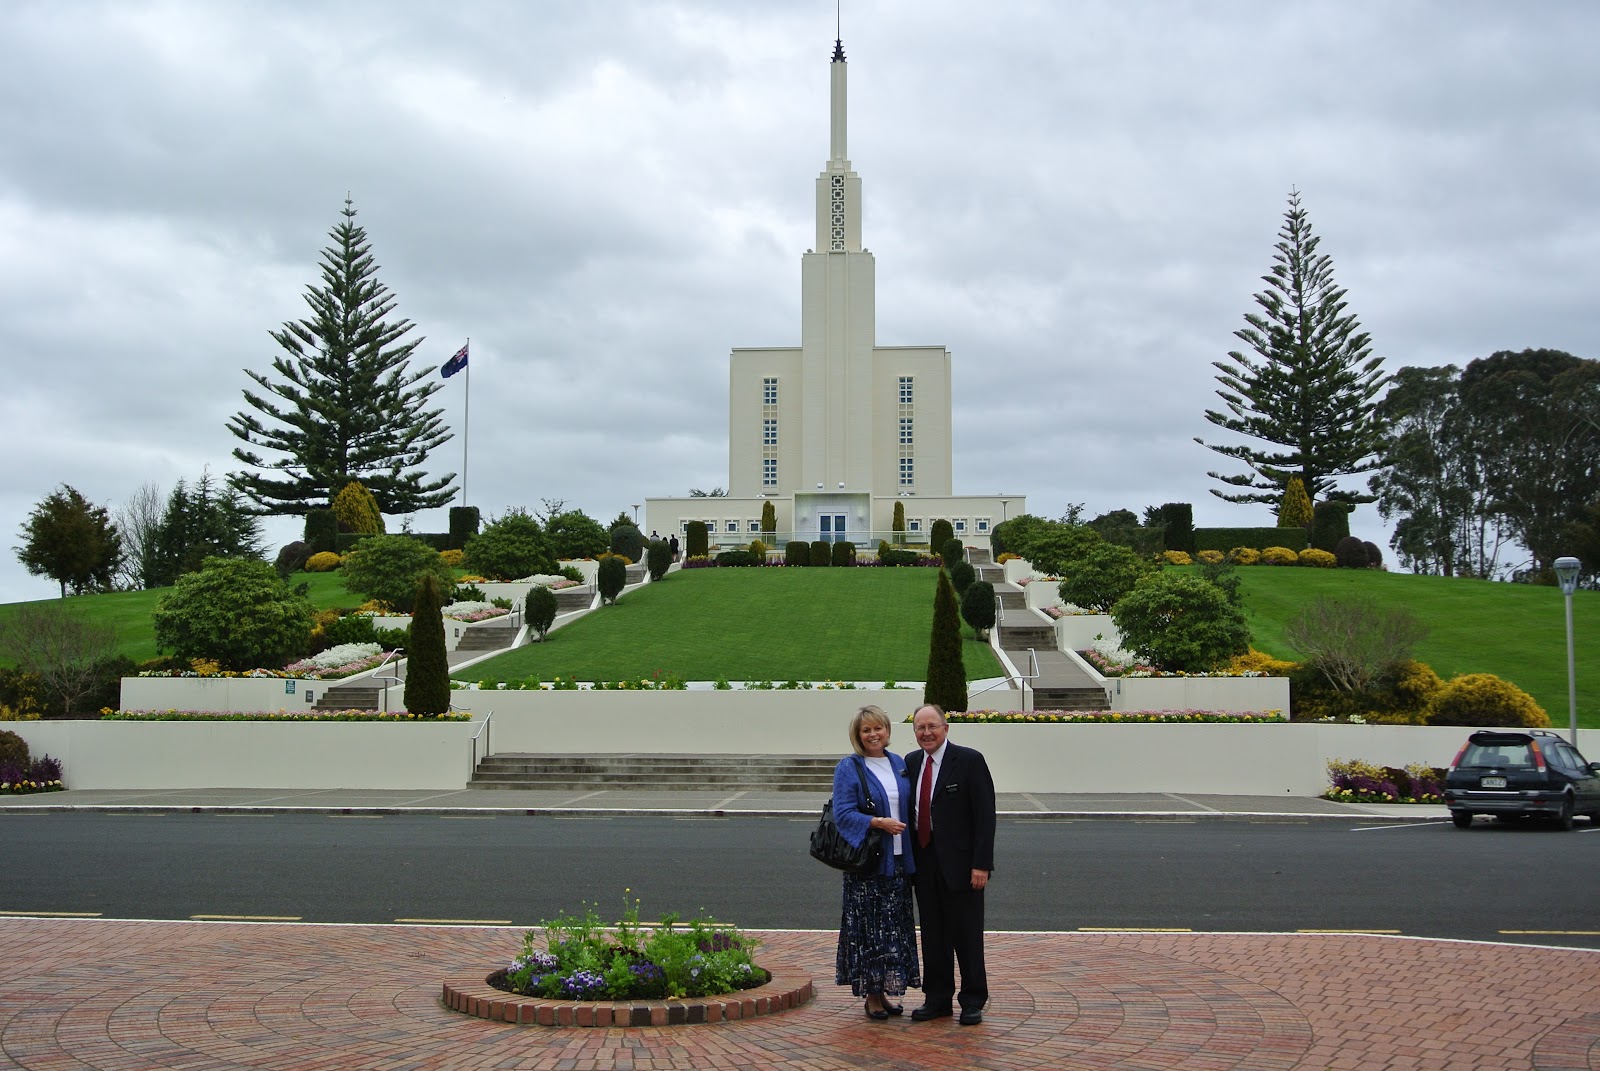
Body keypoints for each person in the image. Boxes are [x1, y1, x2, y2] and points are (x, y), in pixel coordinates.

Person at [905, 703, 996, 1026]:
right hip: (925, 864)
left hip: (963, 867)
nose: (926, 733)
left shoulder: (969, 761)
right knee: (932, 935)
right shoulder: (911, 762)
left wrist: (981, 864)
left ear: (945, 728)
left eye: (932, 726)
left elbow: (985, 817)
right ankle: (937, 998)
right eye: (920, 728)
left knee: (967, 936)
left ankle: (973, 1000)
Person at [831, 704, 920, 1021]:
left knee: (892, 931)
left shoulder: (898, 763)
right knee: (869, 933)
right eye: (866, 730)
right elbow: (842, 814)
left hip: (898, 864)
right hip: (868, 868)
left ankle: (884, 992)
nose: (873, 734)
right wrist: (878, 823)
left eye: (878, 728)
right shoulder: (849, 767)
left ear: (887, 731)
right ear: (858, 735)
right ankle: (872, 997)